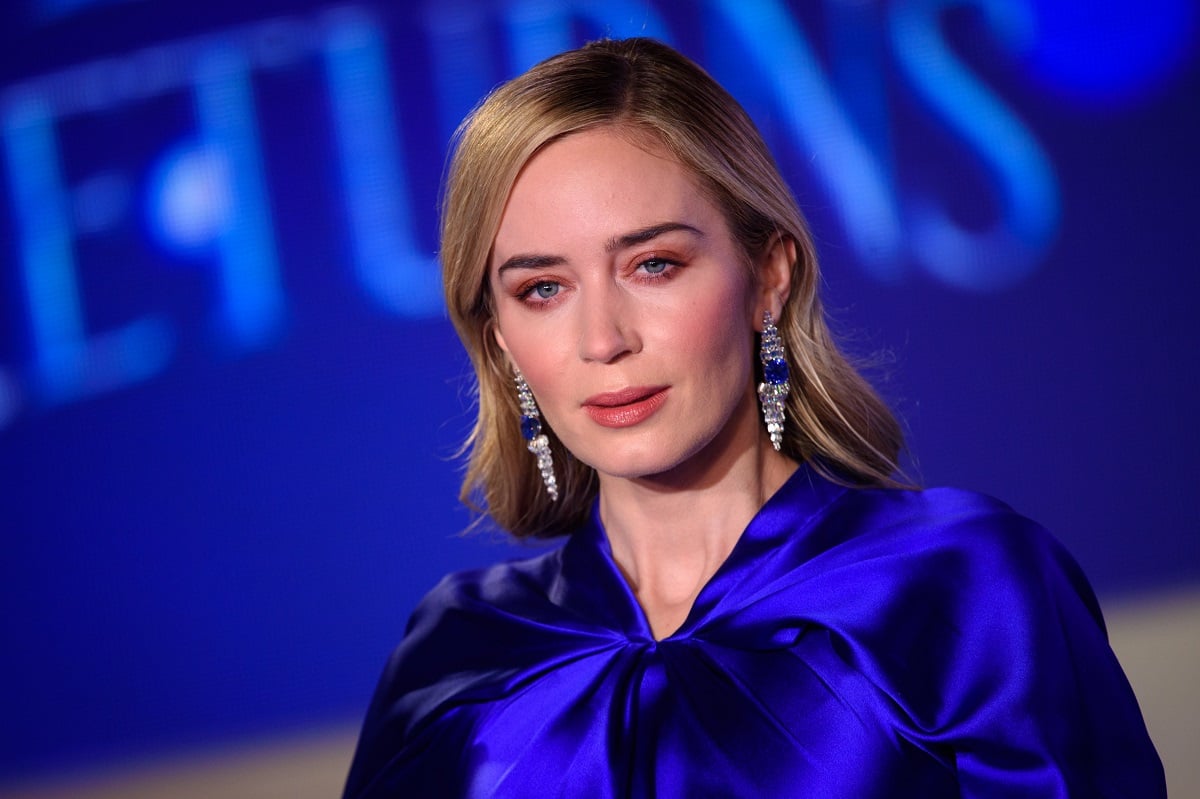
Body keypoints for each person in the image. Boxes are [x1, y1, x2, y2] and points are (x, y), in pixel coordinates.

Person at [342, 38, 1164, 797]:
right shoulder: (457, 653)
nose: (603, 339)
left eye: (653, 264)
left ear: (768, 275)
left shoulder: (962, 584)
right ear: (500, 338)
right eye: (542, 289)